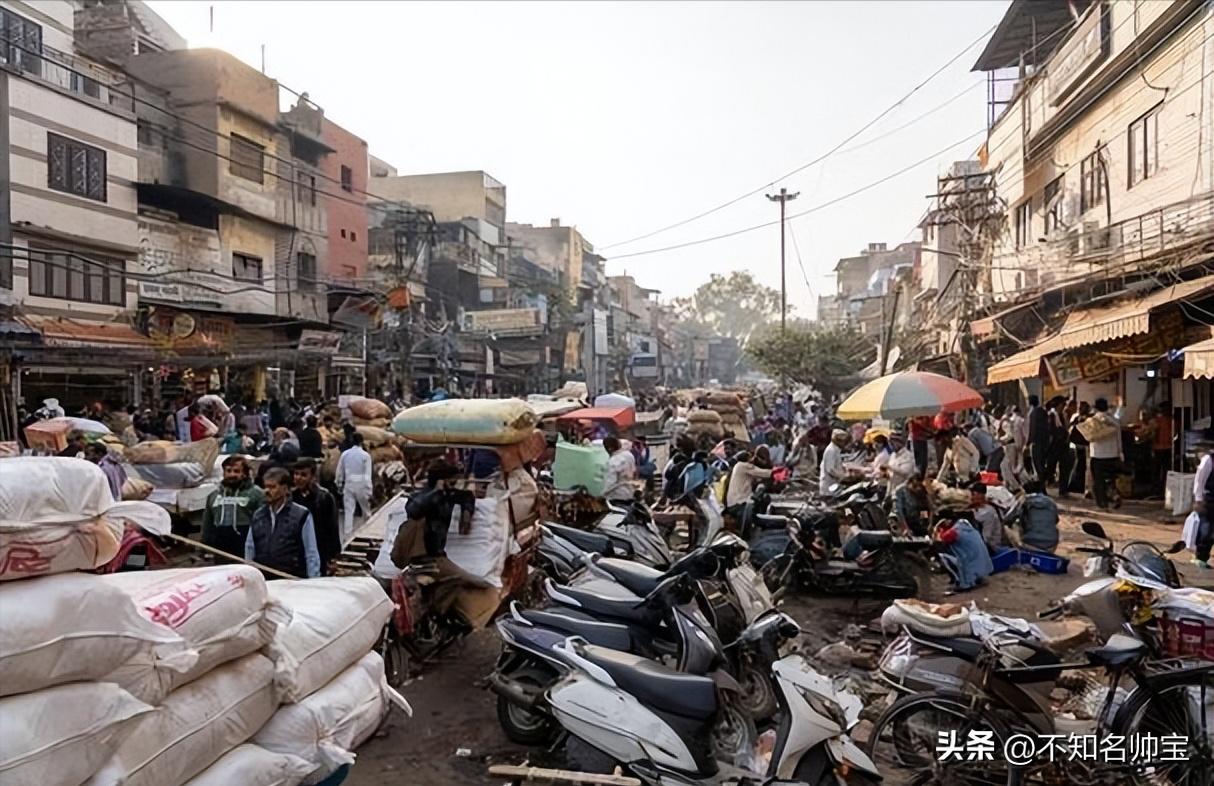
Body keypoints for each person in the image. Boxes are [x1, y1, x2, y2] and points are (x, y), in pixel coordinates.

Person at [245, 467, 321, 578]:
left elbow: (311, 552)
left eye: (272, 487)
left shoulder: (301, 515)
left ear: (285, 489)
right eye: (265, 487)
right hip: (264, 578)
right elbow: (250, 548)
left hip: (291, 578)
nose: (266, 491)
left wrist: (313, 580)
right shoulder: (258, 515)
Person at [203, 455, 265, 558]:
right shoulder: (214, 495)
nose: (232, 474)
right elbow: (207, 523)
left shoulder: (256, 493)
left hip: (245, 543)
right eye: (228, 471)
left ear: (244, 474)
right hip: (221, 545)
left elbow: (263, 522)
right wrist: (205, 544)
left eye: (236, 471)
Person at [292, 459, 341, 575]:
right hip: (296, 550)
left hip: (320, 548)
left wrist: (332, 556)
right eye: (296, 474)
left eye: (303, 475)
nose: (298, 478)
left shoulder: (324, 498)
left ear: (313, 476)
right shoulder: (291, 497)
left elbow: (332, 527)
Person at [936, 518, 994, 592]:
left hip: (969, 558)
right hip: (980, 558)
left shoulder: (953, 532)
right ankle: (979, 578)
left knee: (943, 557)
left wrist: (939, 530)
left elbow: (940, 539)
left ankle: (966, 584)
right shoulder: (966, 525)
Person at [1088, 398, 1124, 510]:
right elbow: (1119, 438)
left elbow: (1090, 437)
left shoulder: (1093, 421)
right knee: (1110, 479)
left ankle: (1102, 504)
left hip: (1098, 455)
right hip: (1113, 455)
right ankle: (1114, 495)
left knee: (1099, 481)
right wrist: (1120, 452)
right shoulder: (1114, 421)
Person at [336, 432, 374, 538]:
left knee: (349, 511)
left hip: (349, 484)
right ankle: (368, 532)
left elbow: (339, 471)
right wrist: (369, 489)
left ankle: (347, 535)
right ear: (362, 442)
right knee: (366, 510)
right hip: (361, 484)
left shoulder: (345, 454)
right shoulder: (365, 456)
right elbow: (368, 474)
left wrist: (339, 484)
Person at [725, 448, 774, 512]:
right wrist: (778, 472)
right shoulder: (744, 466)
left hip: (733, 502)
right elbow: (764, 473)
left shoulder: (737, 466)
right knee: (764, 495)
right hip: (740, 502)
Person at [1019, 481, 1060, 553]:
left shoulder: (1024, 503)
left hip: (1030, 542)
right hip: (1051, 543)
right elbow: (1056, 520)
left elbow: (1017, 520)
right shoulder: (1051, 502)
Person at [1191, 443, 1214, 569]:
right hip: (1209, 500)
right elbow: (1200, 480)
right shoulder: (1208, 460)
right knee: (1206, 530)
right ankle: (1200, 557)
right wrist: (1198, 498)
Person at [968, 482, 1005, 551]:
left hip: (991, 546)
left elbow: (986, 538)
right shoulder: (975, 509)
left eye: (973, 494)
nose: (971, 497)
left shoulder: (989, 512)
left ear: (980, 495)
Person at [602, 436, 638, 502]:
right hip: (630, 492)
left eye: (605, 448)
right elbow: (635, 471)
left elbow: (610, 483)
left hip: (617, 496)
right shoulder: (629, 455)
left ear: (610, 448)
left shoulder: (613, 462)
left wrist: (602, 494)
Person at [1067, 401, 1092, 495]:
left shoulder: (1081, 418)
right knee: (1080, 465)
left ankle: (1077, 486)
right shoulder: (1079, 418)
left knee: (1080, 465)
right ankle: (1077, 486)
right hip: (1081, 444)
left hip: (1081, 444)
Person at [819, 429, 850, 495]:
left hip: (834, 483)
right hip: (829, 483)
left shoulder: (836, 450)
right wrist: (842, 476)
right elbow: (830, 469)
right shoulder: (831, 450)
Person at [1026, 395, 1049, 482]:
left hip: (1036, 442)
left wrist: (1028, 442)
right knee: (1041, 464)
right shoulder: (1043, 411)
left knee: (1037, 465)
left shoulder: (1033, 413)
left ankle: (1041, 486)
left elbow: (1032, 429)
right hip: (1044, 442)